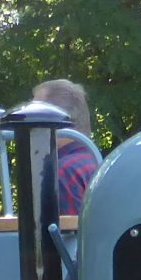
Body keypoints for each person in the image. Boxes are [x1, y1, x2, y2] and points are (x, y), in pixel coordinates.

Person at [31, 77, 99, 218]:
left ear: (55, 121)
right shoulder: (99, 164)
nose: (29, 126)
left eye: (34, 117)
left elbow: (70, 232)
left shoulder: (62, 173)